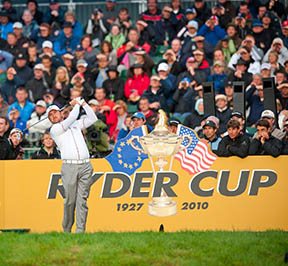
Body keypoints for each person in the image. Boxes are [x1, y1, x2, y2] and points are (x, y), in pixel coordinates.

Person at [48, 97, 97, 233]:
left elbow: (92, 118)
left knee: (82, 200)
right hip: (69, 167)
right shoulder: (55, 129)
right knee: (70, 201)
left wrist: (84, 104)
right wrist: (76, 104)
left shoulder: (75, 124)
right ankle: (67, 229)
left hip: (86, 166)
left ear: (61, 112)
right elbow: (72, 116)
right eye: (50, 115)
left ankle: (80, 231)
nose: (54, 115)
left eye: (55, 112)